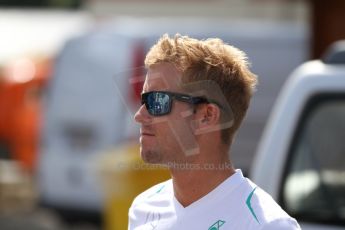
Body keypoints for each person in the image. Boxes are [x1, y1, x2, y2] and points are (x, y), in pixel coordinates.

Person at [128, 34, 300, 230]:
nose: (139, 116)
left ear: (207, 116)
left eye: (157, 101)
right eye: (144, 100)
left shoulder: (268, 225)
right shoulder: (143, 209)